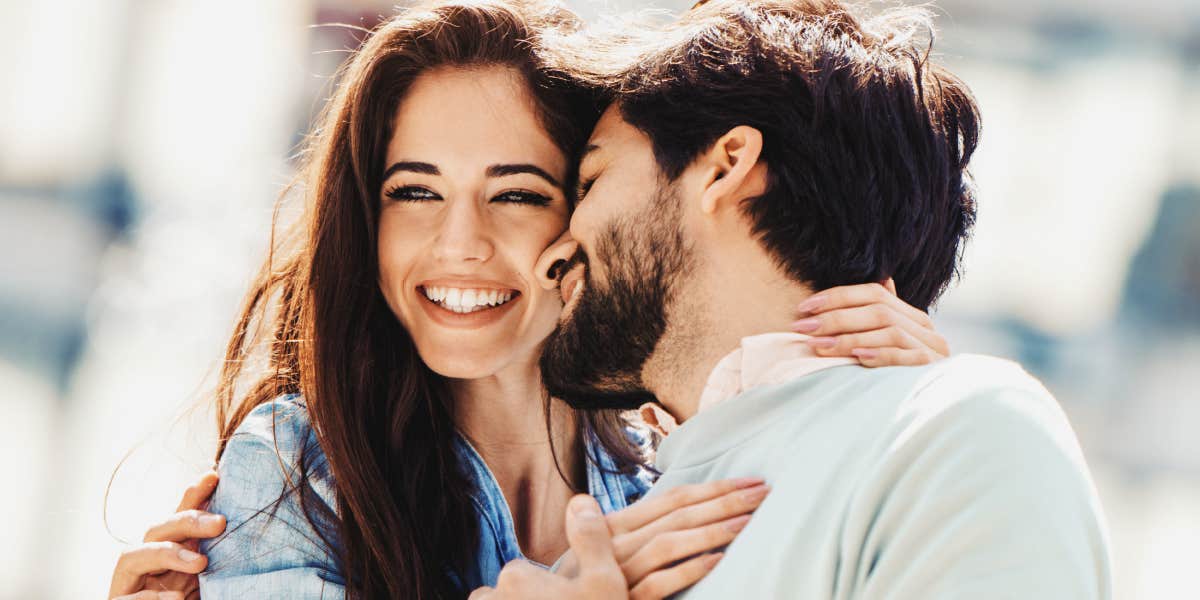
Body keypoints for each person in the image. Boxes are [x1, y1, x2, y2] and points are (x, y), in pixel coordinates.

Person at [105, 1, 948, 599]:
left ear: (588, 210)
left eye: (515, 194)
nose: (459, 244)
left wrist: (904, 414)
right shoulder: (301, 468)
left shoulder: (685, 477)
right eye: (414, 192)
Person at [473, 0, 1113, 598]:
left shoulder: (956, 433)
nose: (553, 253)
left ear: (727, 166)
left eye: (590, 181)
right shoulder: (596, 560)